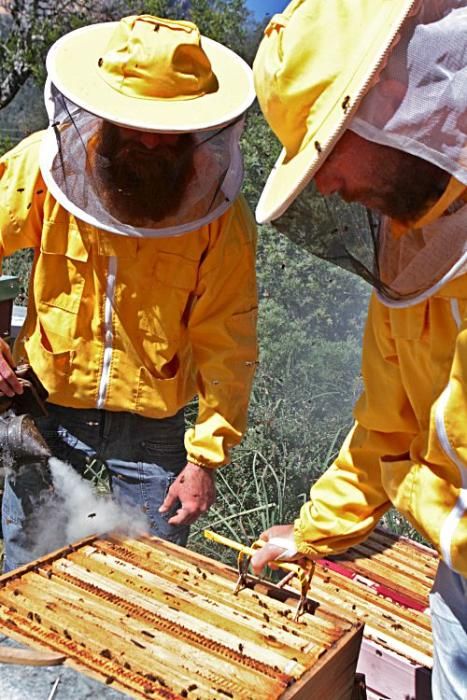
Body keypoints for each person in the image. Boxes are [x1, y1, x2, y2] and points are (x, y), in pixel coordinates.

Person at [250, 1, 467, 698]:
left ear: (392, 96)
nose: (323, 185)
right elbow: (383, 427)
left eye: (325, 145)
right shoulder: (409, 257)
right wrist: (313, 534)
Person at [0, 15, 258, 572]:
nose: (147, 140)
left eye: (165, 129)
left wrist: (206, 458)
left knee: (152, 569)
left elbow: (228, 336)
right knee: (26, 553)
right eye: (134, 122)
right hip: (42, 397)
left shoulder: (219, 216)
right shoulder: (42, 168)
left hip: (153, 421)